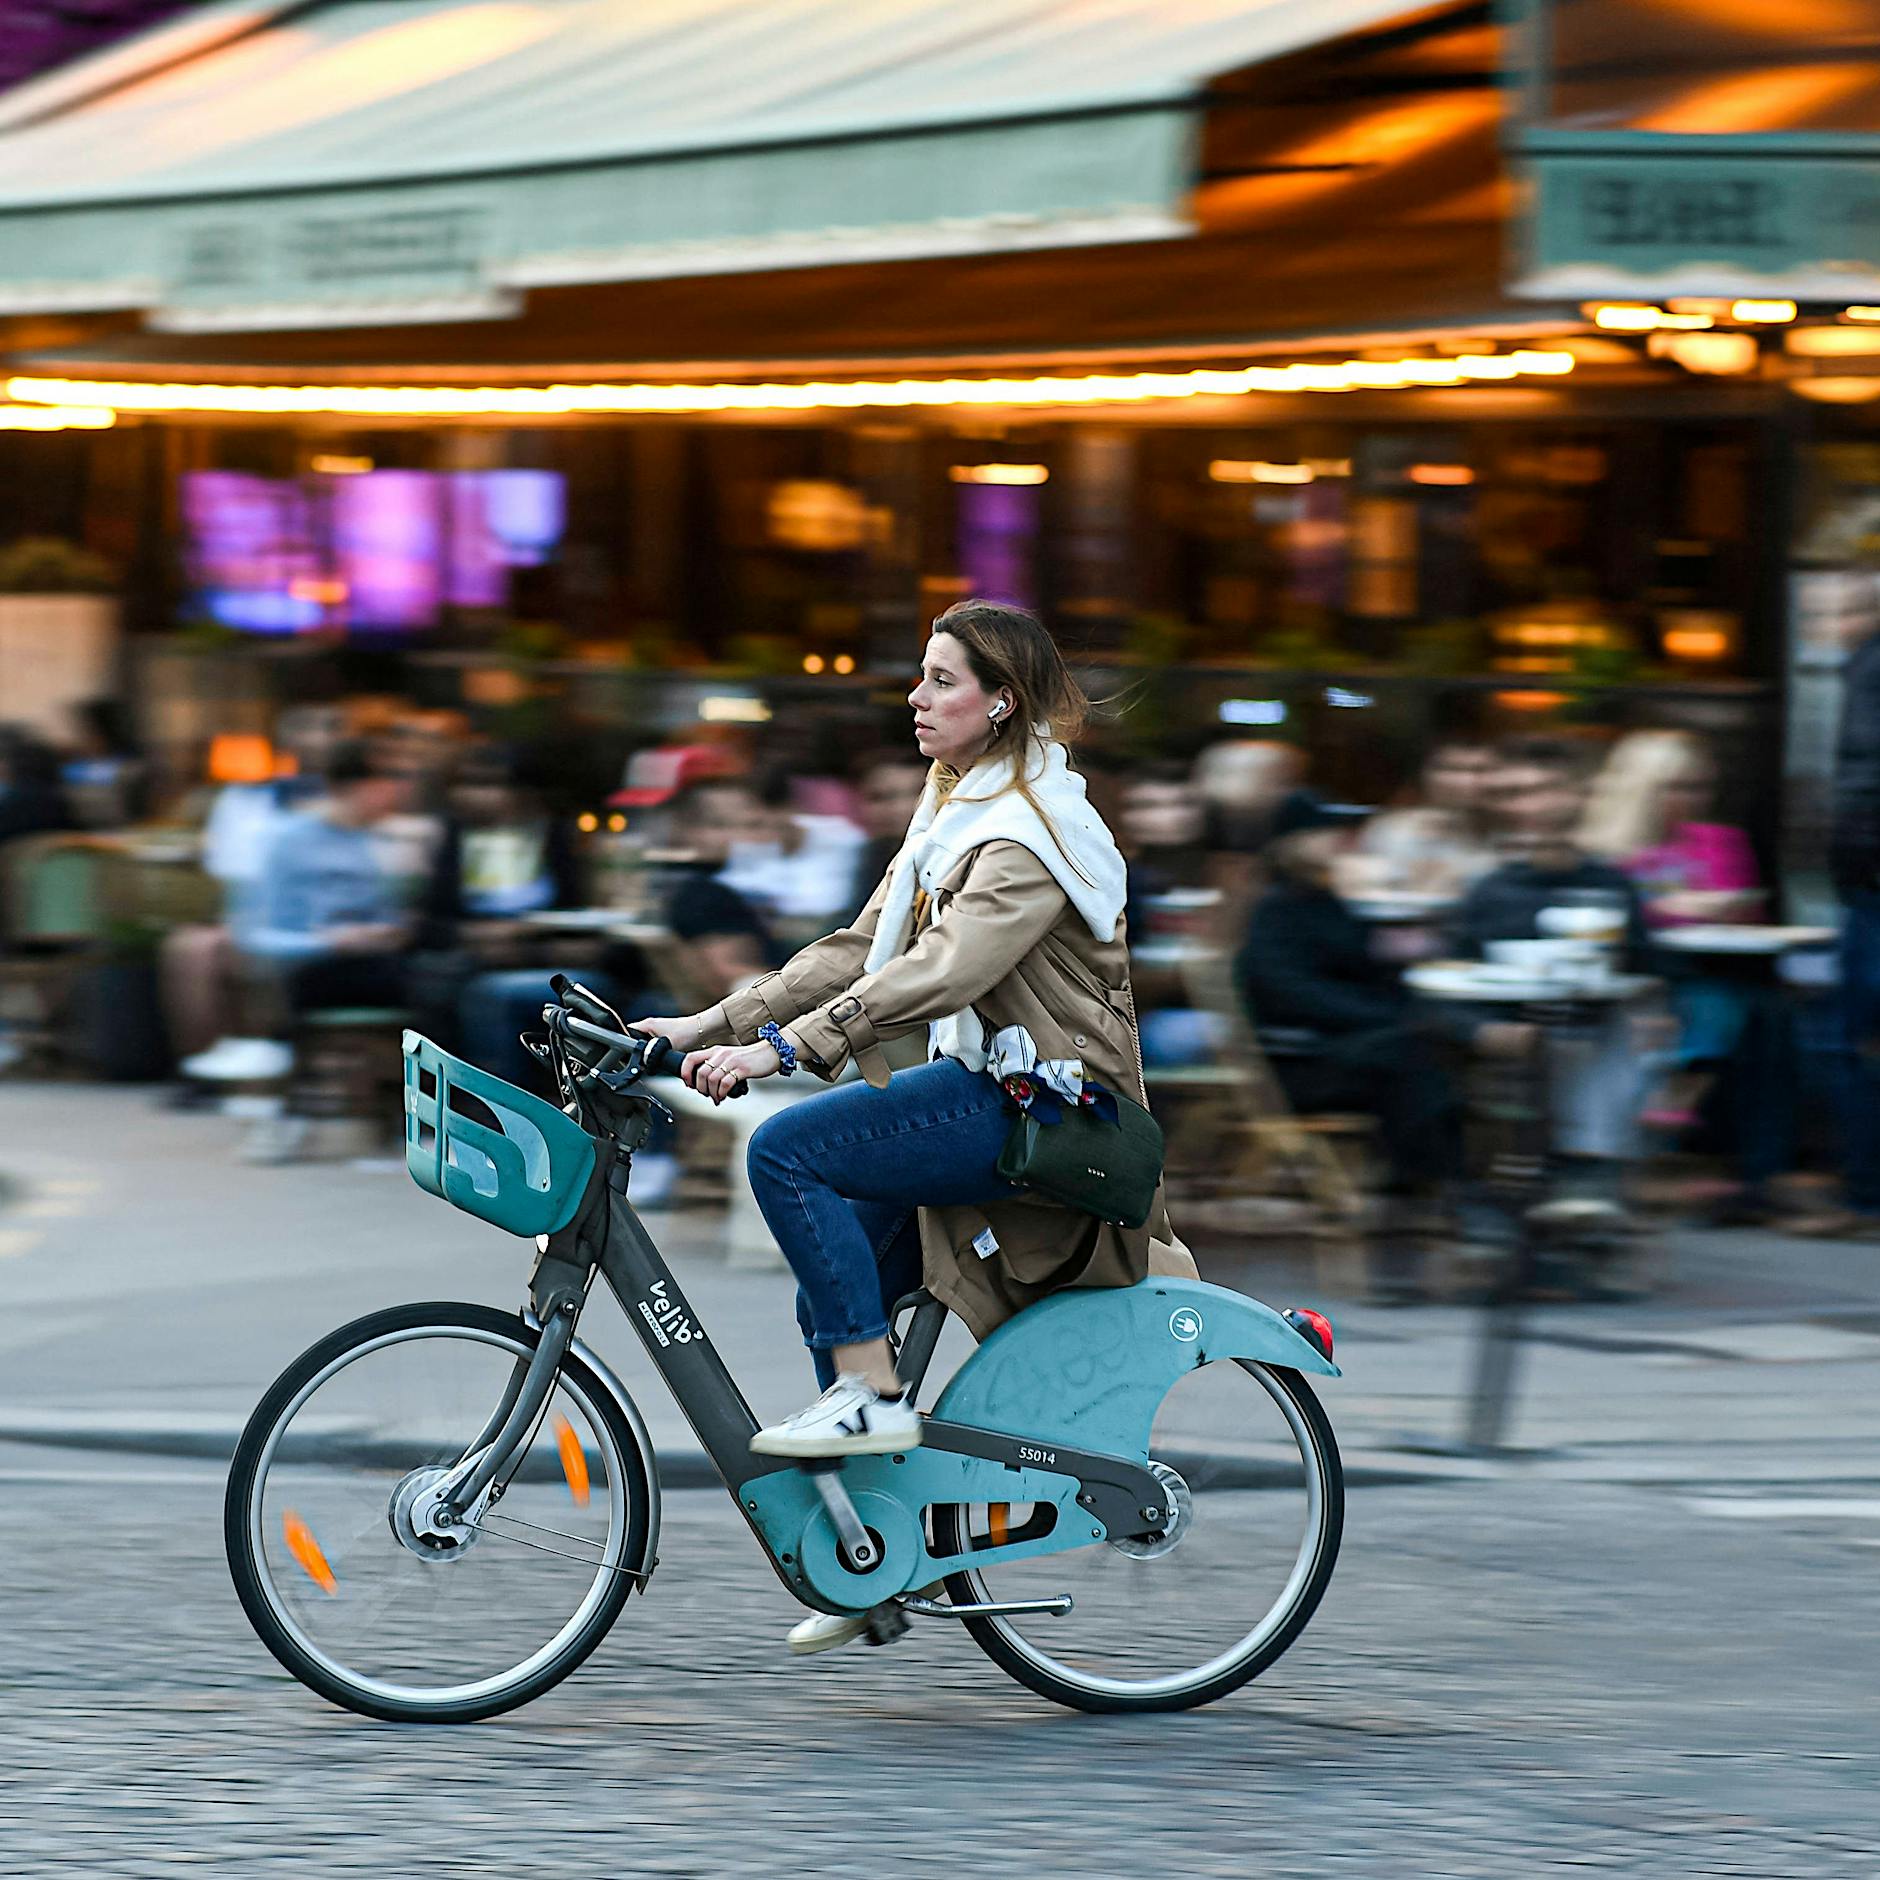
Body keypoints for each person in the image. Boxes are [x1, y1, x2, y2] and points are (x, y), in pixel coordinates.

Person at [635, 598, 1194, 1655]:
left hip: (1048, 1101)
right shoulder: (957, 805)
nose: (917, 694)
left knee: (788, 1149)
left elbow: (944, 969)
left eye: (941, 678)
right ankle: (864, 1549)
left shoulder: (1034, 832)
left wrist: (787, 1051)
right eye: (921, 675)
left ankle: (865, 1397)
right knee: (834, 1262)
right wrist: (704, 1023)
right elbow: (858, 947)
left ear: (999, 702)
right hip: (988, 1083)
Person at [1237, 805, 1464, 1300]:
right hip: (1300, 1063)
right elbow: (1289, 992)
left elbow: (1368, 971)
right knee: (1413, 1060)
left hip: (1352, 1053)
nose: (1339, 843)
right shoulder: (1275, 911)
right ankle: (1432, 1200)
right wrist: (1387, 1015)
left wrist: (1399, 972)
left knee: (1429, 1058)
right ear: (1292, 845)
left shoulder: (1329, 902)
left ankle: (1417, 1200)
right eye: (1324, 834)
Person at [1452, 737, 1653, 1209]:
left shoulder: (1609, 885)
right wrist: (1483, 1030)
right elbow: (1452, 974)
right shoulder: (1491, 889)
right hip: (1501, 1032)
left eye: (1549, 789)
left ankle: (1580, 1178)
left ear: (1580, 796)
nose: (1535, 806)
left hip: (1587, 1028)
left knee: (1610, 1037)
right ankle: (1562, 1187)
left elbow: (1646, 966)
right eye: (1519, 793)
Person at [1348, 738, 1497, 900]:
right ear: (1425, 774)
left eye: (1478, 770)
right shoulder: (1391, 828)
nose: (1461, 781)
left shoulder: (1505, 830)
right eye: (1448, 769)